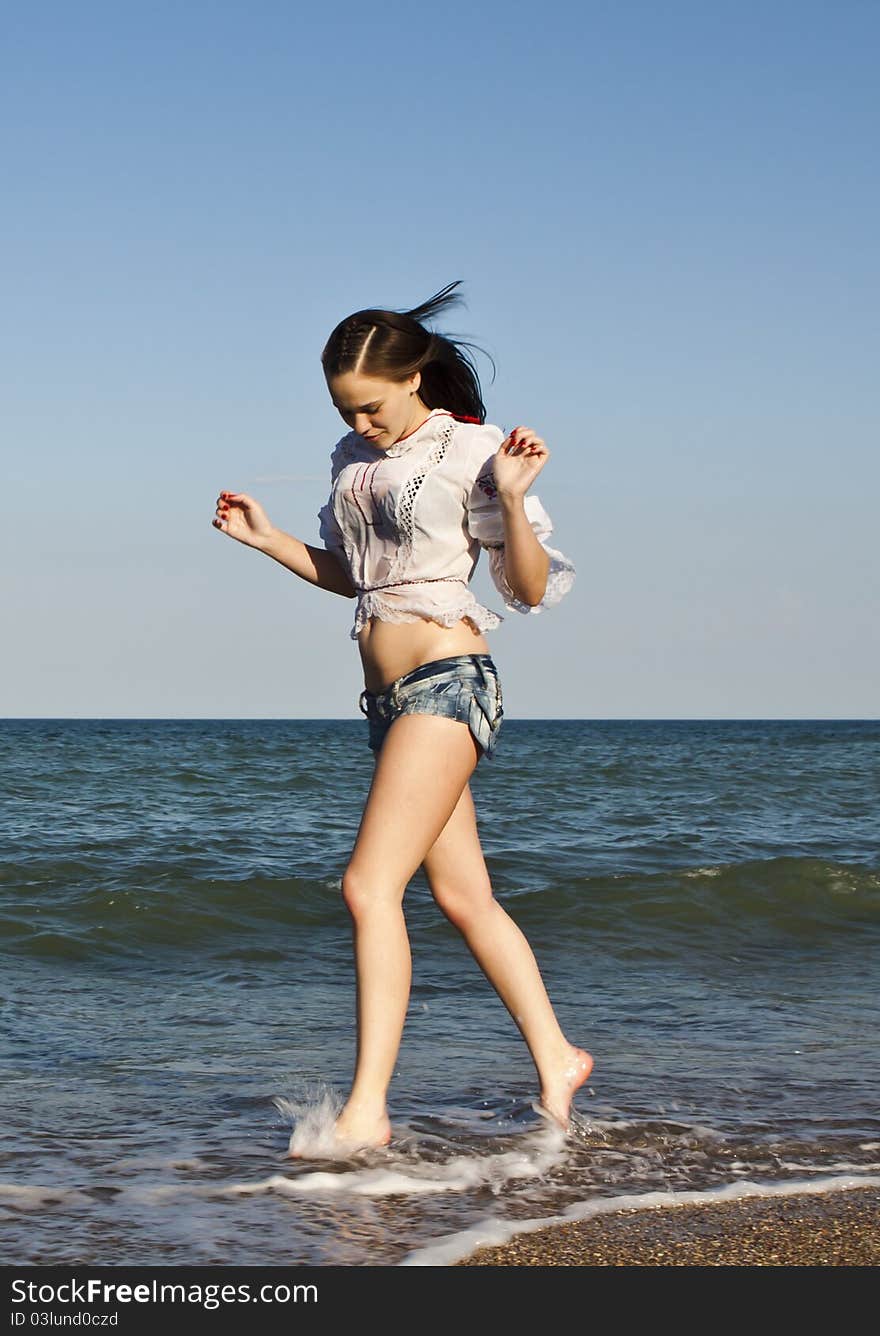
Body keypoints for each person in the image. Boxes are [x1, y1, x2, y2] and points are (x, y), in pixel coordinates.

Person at [212, 281, 592, 1154]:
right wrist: (268, 542)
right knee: (465, 898)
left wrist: (512, 487)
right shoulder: (351, 457)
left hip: (450, 678)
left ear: (416, 375)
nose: (363, 424)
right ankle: (559, 1059)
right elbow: (359, 576)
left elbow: (527, 590)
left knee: (366, 887)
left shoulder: (471, 450)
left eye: (373, 407)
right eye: (347, 410)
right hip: (387, 700)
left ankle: (367, 1111)